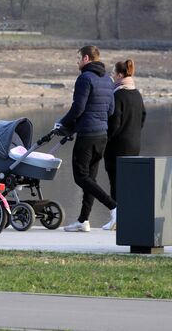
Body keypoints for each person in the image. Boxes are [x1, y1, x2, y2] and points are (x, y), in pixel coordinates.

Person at [56, 45, 117, 232]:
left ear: (86, 59)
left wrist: (62, 123)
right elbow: (111, 110)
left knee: (81, 177)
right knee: (90, 178)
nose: (76, 62)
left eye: (78, 58)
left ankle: (114, 207)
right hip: (102, 135)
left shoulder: (84, 78)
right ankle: (83, 220)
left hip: (88, 136)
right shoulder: (108, 79)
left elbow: (78, 108)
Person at [102, 59, 146, 230]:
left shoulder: (118, 94)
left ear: (120, 75)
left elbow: (114, 123)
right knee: (129, 183)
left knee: (116, 183)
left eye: (113, 73)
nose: (112, 76)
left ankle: (116, 219)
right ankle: (130, 218)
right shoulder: (137, 93)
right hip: (134, 145)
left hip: (117, 146)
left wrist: (106, 139)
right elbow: (143, 116)